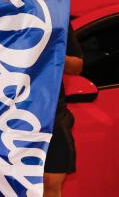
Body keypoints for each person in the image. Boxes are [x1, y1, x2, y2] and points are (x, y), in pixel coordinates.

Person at [44, 26, 83, 197]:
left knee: (51, 184)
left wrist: (52, 52)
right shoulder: (1, 13)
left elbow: (77, 65)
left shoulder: (57, 15)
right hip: (11, 115)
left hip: (52, 117)